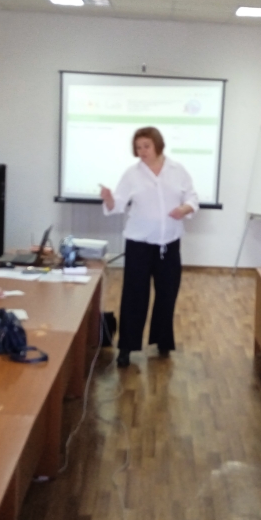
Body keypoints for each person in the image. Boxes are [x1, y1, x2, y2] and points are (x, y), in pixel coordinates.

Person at [100, 126, 197, 368]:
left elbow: (192, 198)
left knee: (167, 294)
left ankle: (163, 341)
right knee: (134, 296)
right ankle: (126, 347)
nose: (142, 151)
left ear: (158, 145)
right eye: (138, 147)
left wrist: (185, 208)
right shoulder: (132, 174)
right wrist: (109, 199)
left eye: (146, 146)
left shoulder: (177, 170)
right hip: (139, 244)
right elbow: (118, 204)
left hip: (169, 244)